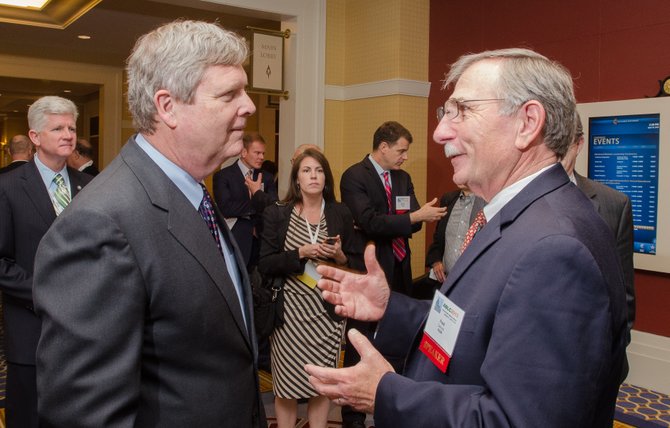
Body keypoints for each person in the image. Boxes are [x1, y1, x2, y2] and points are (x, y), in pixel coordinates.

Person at [305, 48, 628, 427]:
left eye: (464, 110)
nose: (441, 131)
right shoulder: (522, 214)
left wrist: (387, 393)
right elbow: (477, 323)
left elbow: (515, 420)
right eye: (447, 113)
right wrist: (391, 308)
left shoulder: (555, 248)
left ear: (527, 123)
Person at [32, 20, 265, 427]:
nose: (249, 106)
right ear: (167, 106)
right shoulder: (99, 225)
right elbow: (87, 416)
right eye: (229, 93)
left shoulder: (192, 193)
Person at [0, 96, 92, 428]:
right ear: (35, 136)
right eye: (58, 128)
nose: (68, 134)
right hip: (31, 330)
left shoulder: (90, 187)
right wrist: (46, 294)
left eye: (71, 127)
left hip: (85, 333)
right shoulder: (8, 188)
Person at [257, 148, 357, 428]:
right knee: (286, 387)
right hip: (288, 314)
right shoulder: (278, 213)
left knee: (322, 386)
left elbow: (353, 261)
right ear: (296, 179)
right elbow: (265, 263)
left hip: (327, 313)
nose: (314, 176)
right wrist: (299, 252)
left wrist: (338, 256)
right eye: (306, 171)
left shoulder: (340, 212)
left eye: (319, 170)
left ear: (326, 177)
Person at [340, 121, 446, 295]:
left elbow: (416, 224)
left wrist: (407, 219)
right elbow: (370, 223)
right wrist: (412, 217)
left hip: (402, 264)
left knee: (400, 318)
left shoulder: (403, 177)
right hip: (372, 264)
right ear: (383, 147)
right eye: (401, 151)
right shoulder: (355, 176)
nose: (405, 157)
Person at [562, 114, 635, 342]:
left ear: (578, 144)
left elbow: (623, 295)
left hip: (592, 345)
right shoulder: (511, 200)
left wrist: (611, 350)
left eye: (562, 143)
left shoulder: (614, 204)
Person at [214, 132, 278, 270]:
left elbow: (274, 205)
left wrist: (257, 197)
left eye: (263, 153)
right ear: (243, 152)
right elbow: (226, 208)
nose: (262, 157)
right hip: (237, 239)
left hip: (263, 239)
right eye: (257, 153)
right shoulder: (223, 176)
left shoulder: (266, 177)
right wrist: (258, 200)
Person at [425, 185, 486, 284]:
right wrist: (436, 261)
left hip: (472, 282)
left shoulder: (486, 202)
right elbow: (438, 238)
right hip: (444, 281)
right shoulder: (448, 199)